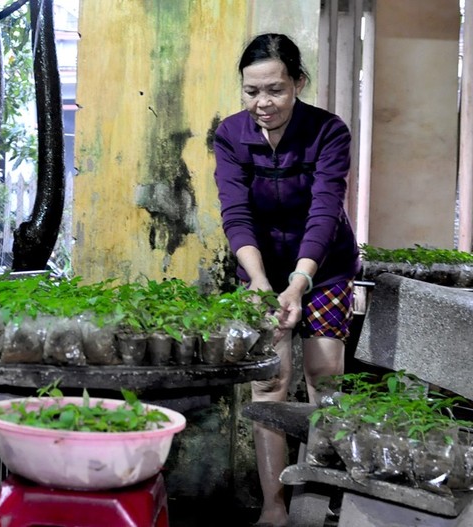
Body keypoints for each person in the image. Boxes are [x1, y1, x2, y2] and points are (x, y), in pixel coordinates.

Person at [212, 33, 360, 527]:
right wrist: (257, 280)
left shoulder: (328, 132)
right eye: (251, 91)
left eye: (274, 89)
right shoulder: (231, 135)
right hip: (260, 267)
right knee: (269, 381)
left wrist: (298, 282)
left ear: (298, 82)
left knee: (325, 379)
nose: (262, 103)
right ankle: (274, 508)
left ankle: (322, 501)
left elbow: (325, 212)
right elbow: (235, 212)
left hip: (325, 267)